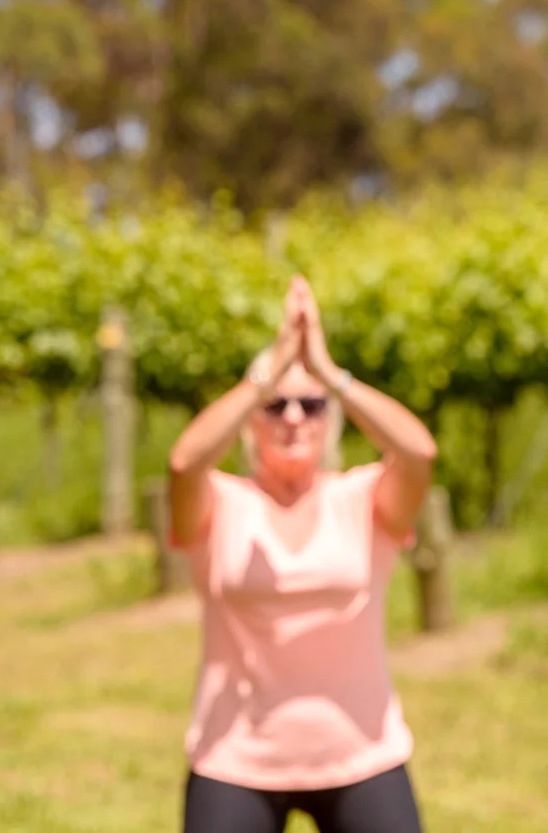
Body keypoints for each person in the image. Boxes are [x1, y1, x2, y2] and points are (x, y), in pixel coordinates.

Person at [168, 275, 438, 833]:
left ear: (328, 418)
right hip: (236, 757)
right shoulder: (221, 500)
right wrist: (267, 370)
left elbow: (418, 451)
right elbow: (184, 463)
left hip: (363, 753)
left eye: (310, 405)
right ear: (252, 421)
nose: (293, 417)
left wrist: (329, 372)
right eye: (276, 406)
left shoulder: (361, 497)